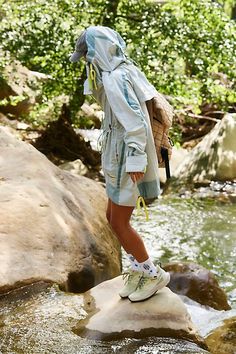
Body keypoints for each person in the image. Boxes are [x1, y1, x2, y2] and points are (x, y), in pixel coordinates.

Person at [70, 25, 170, 302]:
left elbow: (136, 122)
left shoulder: (117, 77)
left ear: (98, 52)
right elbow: (109, 105)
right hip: (119, 154)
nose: (88, 61)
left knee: (121, 223)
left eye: (89, 55)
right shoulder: (118, 73)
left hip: (128, 157)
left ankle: (151, 273)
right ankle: (138, 269)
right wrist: (94, 78)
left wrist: (136, 160)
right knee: (111, 218)